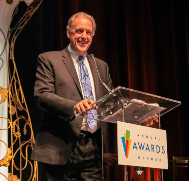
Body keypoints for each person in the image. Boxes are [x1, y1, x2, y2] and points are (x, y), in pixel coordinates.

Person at [31, 12, 157, 181]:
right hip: (60, 146)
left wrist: (137, 117)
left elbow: (112, 104)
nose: (84, 36)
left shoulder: (101, 66)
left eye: (88, 33)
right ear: (68, 33)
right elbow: (42, 95)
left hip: (93, 148)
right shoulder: (49, 59)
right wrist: (74, 106)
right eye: (79, 31)